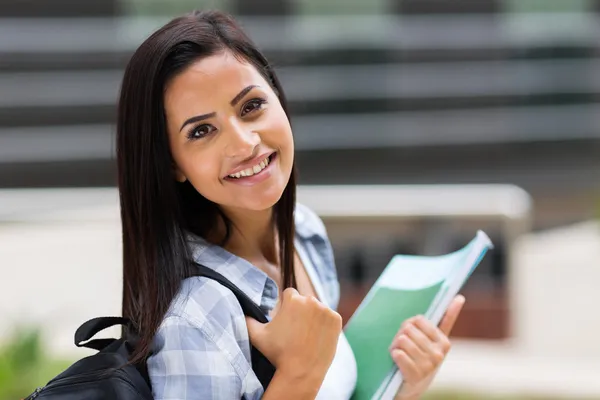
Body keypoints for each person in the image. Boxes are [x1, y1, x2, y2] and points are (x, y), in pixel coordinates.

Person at [115, 9, 465, 400]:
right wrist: (298, 374)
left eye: (251, 106)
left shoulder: (303, 232)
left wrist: (403, 386)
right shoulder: (196, 313)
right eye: (202, 131)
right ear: (172, 164)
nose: (245, 142)